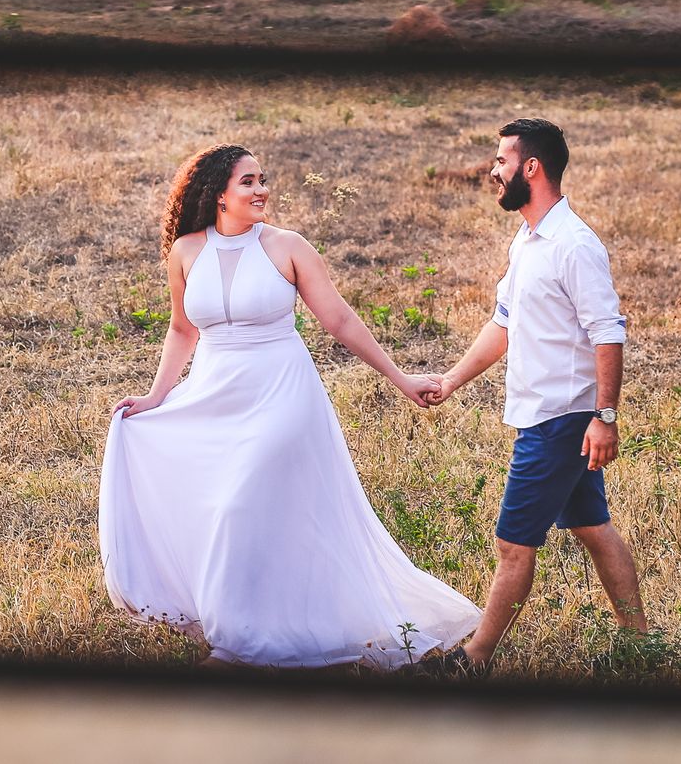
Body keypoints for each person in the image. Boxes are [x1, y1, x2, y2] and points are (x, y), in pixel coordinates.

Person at [100, 144, 481, 670]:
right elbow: (182, 329)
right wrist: (157, 395)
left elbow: (340, 321)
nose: (262, 190)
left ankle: (237, 645)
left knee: (237, 506)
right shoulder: (186, 251)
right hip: (216, 393)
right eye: (249, 182)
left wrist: (399, 378)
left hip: (282, 392)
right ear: (218, 195)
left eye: (263, 179)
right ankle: (250, 621)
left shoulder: (288, 247)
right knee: (229, 511)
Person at [421, 118, 648, 676]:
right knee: (594, 528)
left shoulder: (573, 245)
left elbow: (608, 332)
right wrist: (450, 380)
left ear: (531, 168)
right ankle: (641, 643)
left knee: (514, 546)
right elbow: (502, 325)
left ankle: (473, 660)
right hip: (547, 414)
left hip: (561, 420)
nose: (492, 172)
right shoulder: (528, 240)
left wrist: (605, 418)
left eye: (501, 162)